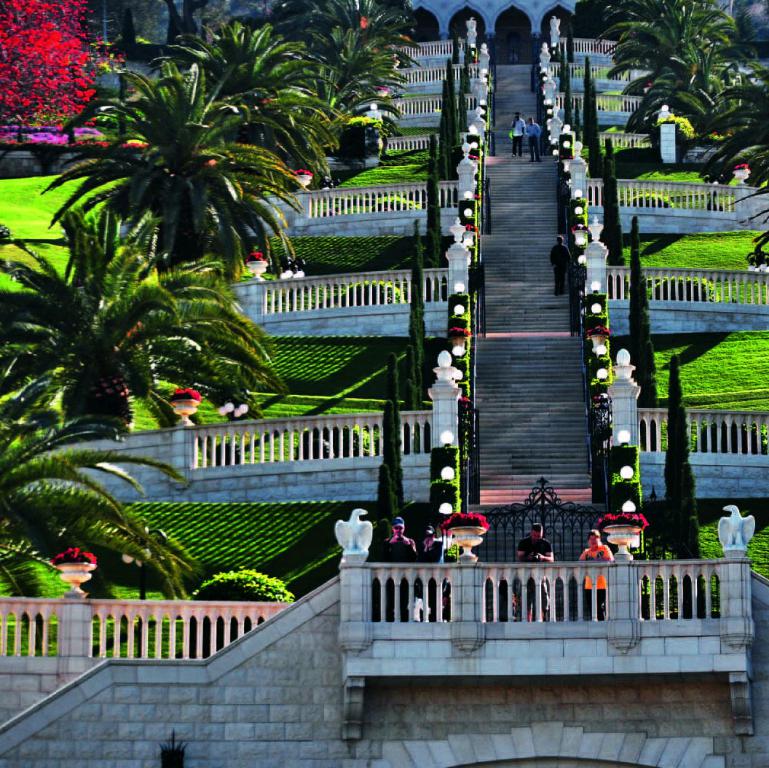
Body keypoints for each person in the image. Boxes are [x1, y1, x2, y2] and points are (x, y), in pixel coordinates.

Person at [517, 523, 554, 620]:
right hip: (526, 575)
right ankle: (527, 622)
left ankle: (542, 620)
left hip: (541, 575)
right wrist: (527, 558)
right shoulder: (524, 542)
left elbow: (551, 559)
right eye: (535, 535)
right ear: (531, 532)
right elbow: (520, 558)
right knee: (525, 601)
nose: (537, 538)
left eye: (539, 536)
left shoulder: (546, 543)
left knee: (544, 601)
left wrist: (542, 557)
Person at [579, 529, 614, 620]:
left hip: (601, 585)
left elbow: (610, 560)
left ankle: (602, 627)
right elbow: (579, 563)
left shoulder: (604, 548)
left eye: (595, 539)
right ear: (588, 541)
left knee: (600, 607)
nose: (593, 541)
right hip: (589, 585)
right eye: (591, 539)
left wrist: (595, 561)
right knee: (591, 608)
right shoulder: (586, 552)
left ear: (599, 539)